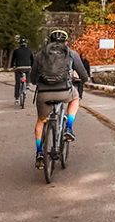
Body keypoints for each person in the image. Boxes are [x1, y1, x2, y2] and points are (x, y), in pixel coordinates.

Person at [29, 29, 89, 170]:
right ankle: (68, 127)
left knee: (41, 121)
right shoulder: (71, 53)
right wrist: (82, 79)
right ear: (66, 41)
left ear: (50, 41)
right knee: (75, 99)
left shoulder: (41, 54)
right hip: (64, 91)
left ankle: (39, 153)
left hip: (43, 93)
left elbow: (32, 79)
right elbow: (83, 75)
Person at [10, 37, 34, 101]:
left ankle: (17, 98)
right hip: (27, 67)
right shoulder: (29, 50)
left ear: (19, 44)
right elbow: (32, 59)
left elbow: (13, 59)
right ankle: (28, 83)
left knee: (17, 82)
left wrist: (12, 66)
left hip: (19, 68)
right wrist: (32, 66)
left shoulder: (16, 51)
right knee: (28, 72)